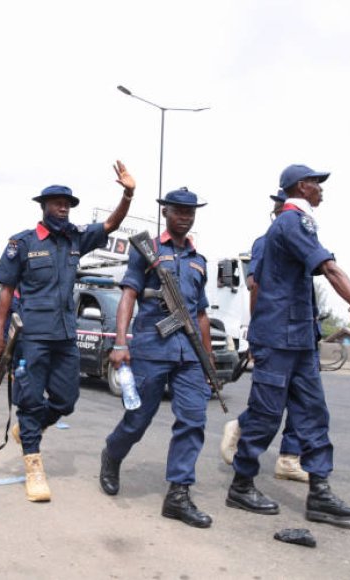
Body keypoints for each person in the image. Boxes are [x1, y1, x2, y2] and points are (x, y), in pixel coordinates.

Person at [225, 164, 350, 525]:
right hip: (277, 338)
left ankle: (319, 493)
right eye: (318, 184)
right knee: (266, 416)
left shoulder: (299, 222)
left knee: (313, 414)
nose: (322, 190)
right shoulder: (291, 222)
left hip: (300, 339)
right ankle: (241, 486)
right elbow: (331, 270)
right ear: (302, 187)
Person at [0, 160, 135, 502]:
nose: (64, 208)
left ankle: (32, 426)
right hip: (33, 337)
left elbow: (111, 224)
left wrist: (128, 194)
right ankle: (34, 465)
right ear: (43, 207)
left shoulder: (75, 239)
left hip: (66, 336)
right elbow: (6, 293)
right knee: (28, 400)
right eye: (57, 203)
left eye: (68, 204)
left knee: (66, 401)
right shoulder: (22, 243)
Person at [99, 187, 215, 529]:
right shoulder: (146, 250)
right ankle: (112, 454)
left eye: (190, 211)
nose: (185, 216)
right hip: (152, 346)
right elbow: (128, 296)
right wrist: (121, 343)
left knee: (193, 420)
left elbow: (203, 314)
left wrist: (208, 361)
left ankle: (178, 495)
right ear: (166, 212)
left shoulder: (199, 260)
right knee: (138, 420)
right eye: (179, 210)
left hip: (190, 354)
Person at [220, 189, 309, 484]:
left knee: (302, 401)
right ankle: (239, 429)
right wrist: (257, 335)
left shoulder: (304, 241)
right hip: (273, 334)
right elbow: (255, 286)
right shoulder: (267, 242)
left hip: (300, 335)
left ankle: (289, 457)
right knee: (271, 402)